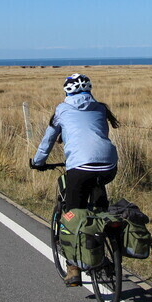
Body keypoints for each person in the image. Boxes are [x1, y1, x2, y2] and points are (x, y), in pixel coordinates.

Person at [30, 73, 120, 286]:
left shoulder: (62, 110)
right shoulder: (100, 108)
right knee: (98, 207)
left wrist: (38, 162)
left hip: (80, 168)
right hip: (108, 166)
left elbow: (48, 139)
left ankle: (73, 269)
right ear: (89, 89)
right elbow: (96, 133)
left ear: (66, 91)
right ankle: (105, 242)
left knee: (72, 214)